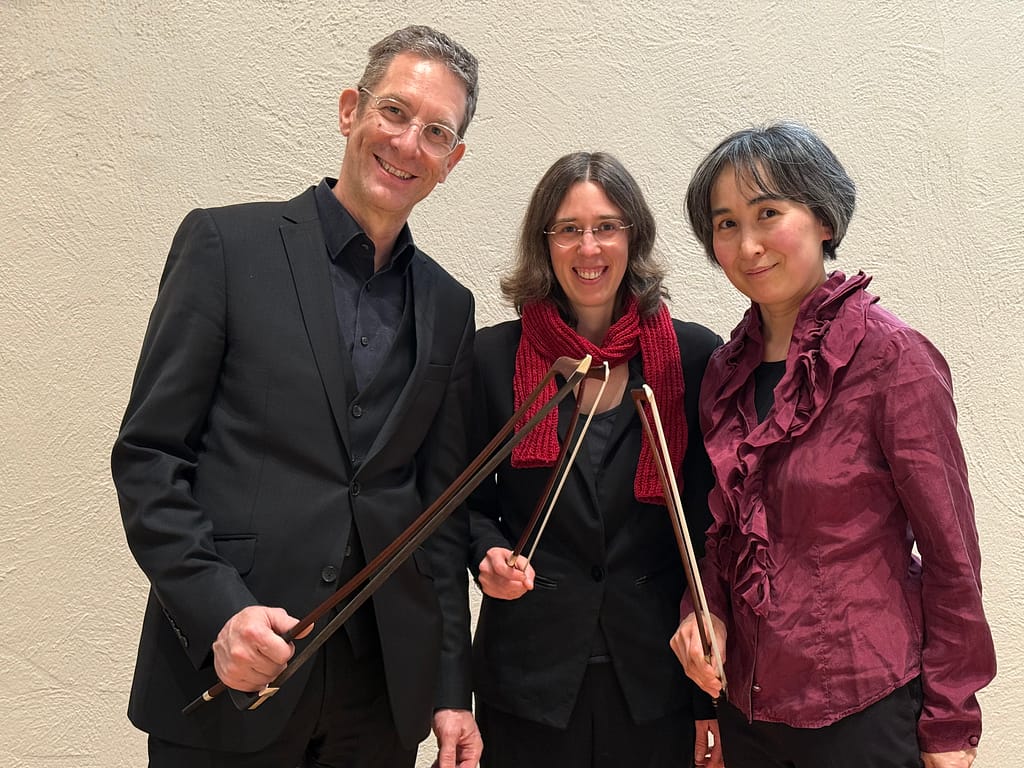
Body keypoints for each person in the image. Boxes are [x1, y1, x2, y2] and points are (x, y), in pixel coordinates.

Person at [111, 25, 482, 768]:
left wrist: (450, 689)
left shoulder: (450, 305)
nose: (408, 143)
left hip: (379, 699)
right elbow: (149, 458)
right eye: (395, 112)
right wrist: (220, 613)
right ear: (350, 110)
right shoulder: (224, 246)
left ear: (452, 160)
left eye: (436, 131)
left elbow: (435, 517)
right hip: (232, 672)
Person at [671, 121, 996, 768]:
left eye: (768, 213)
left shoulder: (892, 357)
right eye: (726, 223)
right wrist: (701, 612)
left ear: (823, 218)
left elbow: (951, 555)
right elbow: (724, 535)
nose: (748, 244)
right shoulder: (723, 370)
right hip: (746, 711)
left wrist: (950, 722)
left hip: (863, 709)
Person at [467, 151, 723, 768]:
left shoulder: (691, 356)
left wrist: (708, 704)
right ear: (545, 243)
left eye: (607, 226)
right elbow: (464, 508)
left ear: (633, 237)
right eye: (569, 229)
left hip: (657, 678)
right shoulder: (491, 358)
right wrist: (486, 554)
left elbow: (707, 527)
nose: (589, 247)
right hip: (528, 678)